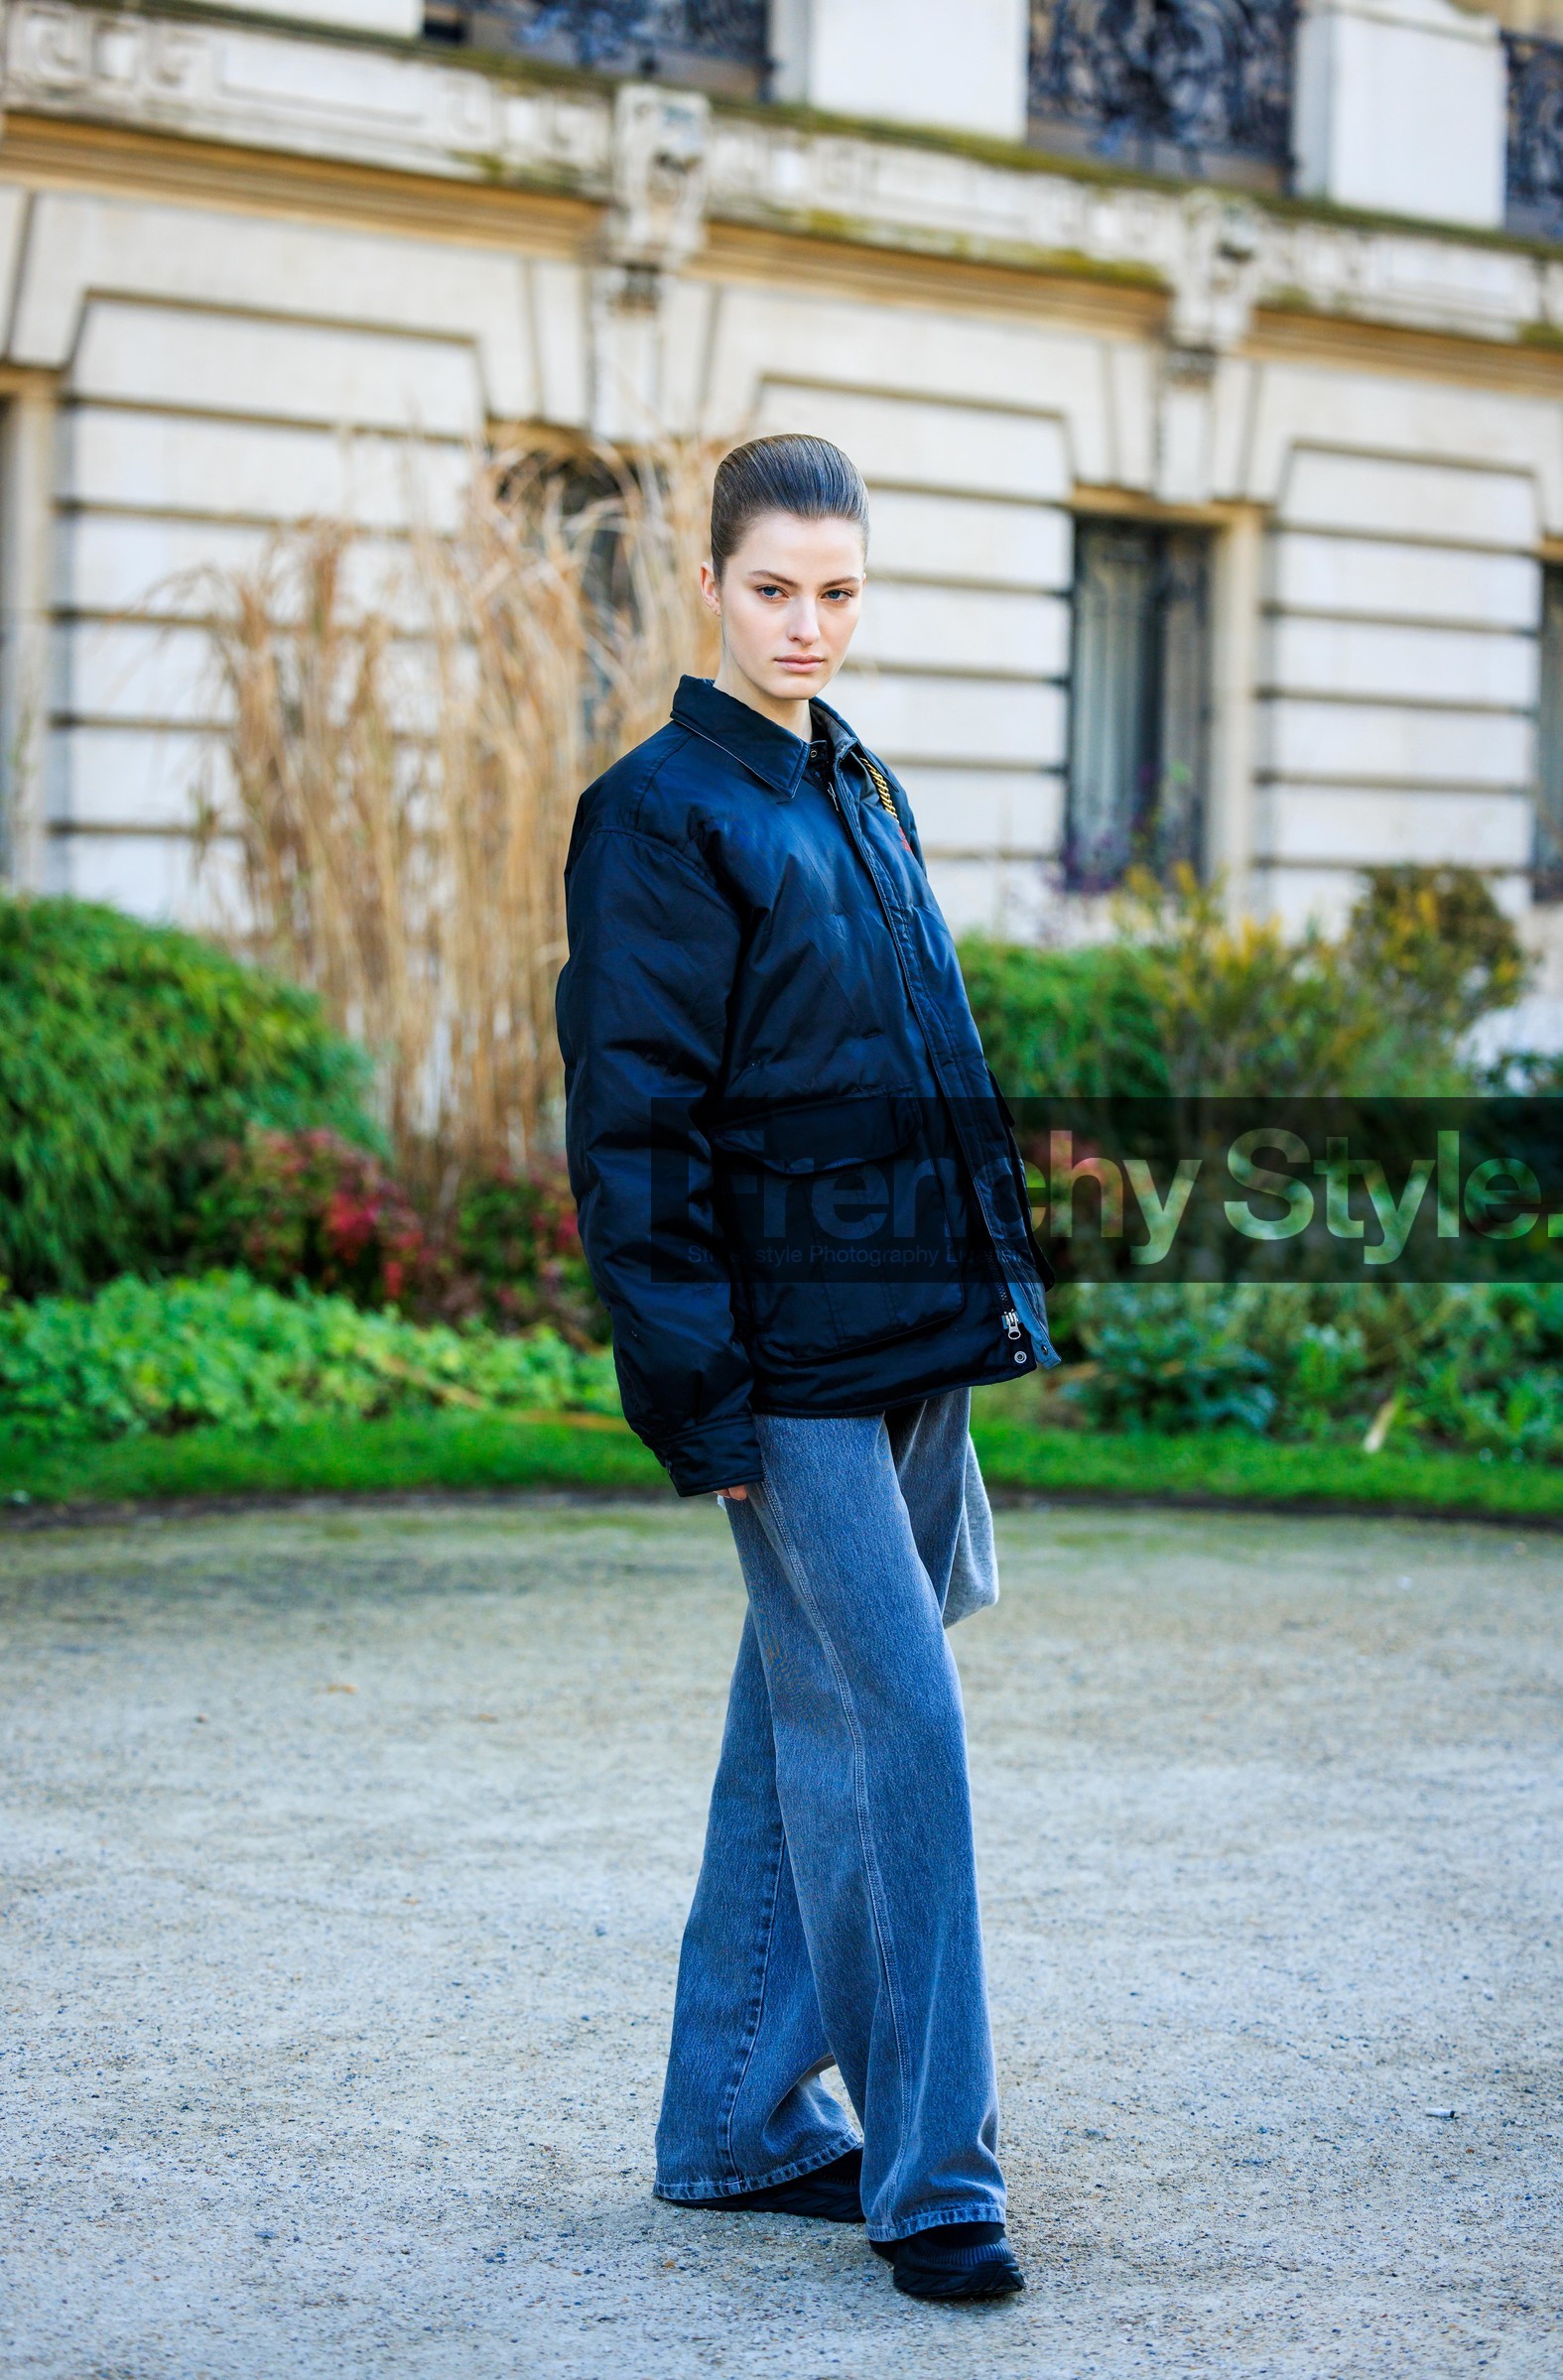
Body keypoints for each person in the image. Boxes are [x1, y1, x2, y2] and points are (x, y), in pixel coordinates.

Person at [556, 434, 1057, 2304]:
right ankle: (933, 2181)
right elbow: (637, 1128)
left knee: (807, 1711)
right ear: (710, 587)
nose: (809, 624)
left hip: (912, 1327)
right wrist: (698, 1391)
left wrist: (989, 1283)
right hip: (791, 1367)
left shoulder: (857, 783)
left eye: (839, 590)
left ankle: (738, 2125)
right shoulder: (665, 812)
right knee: (899, 1730)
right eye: (776, 588)